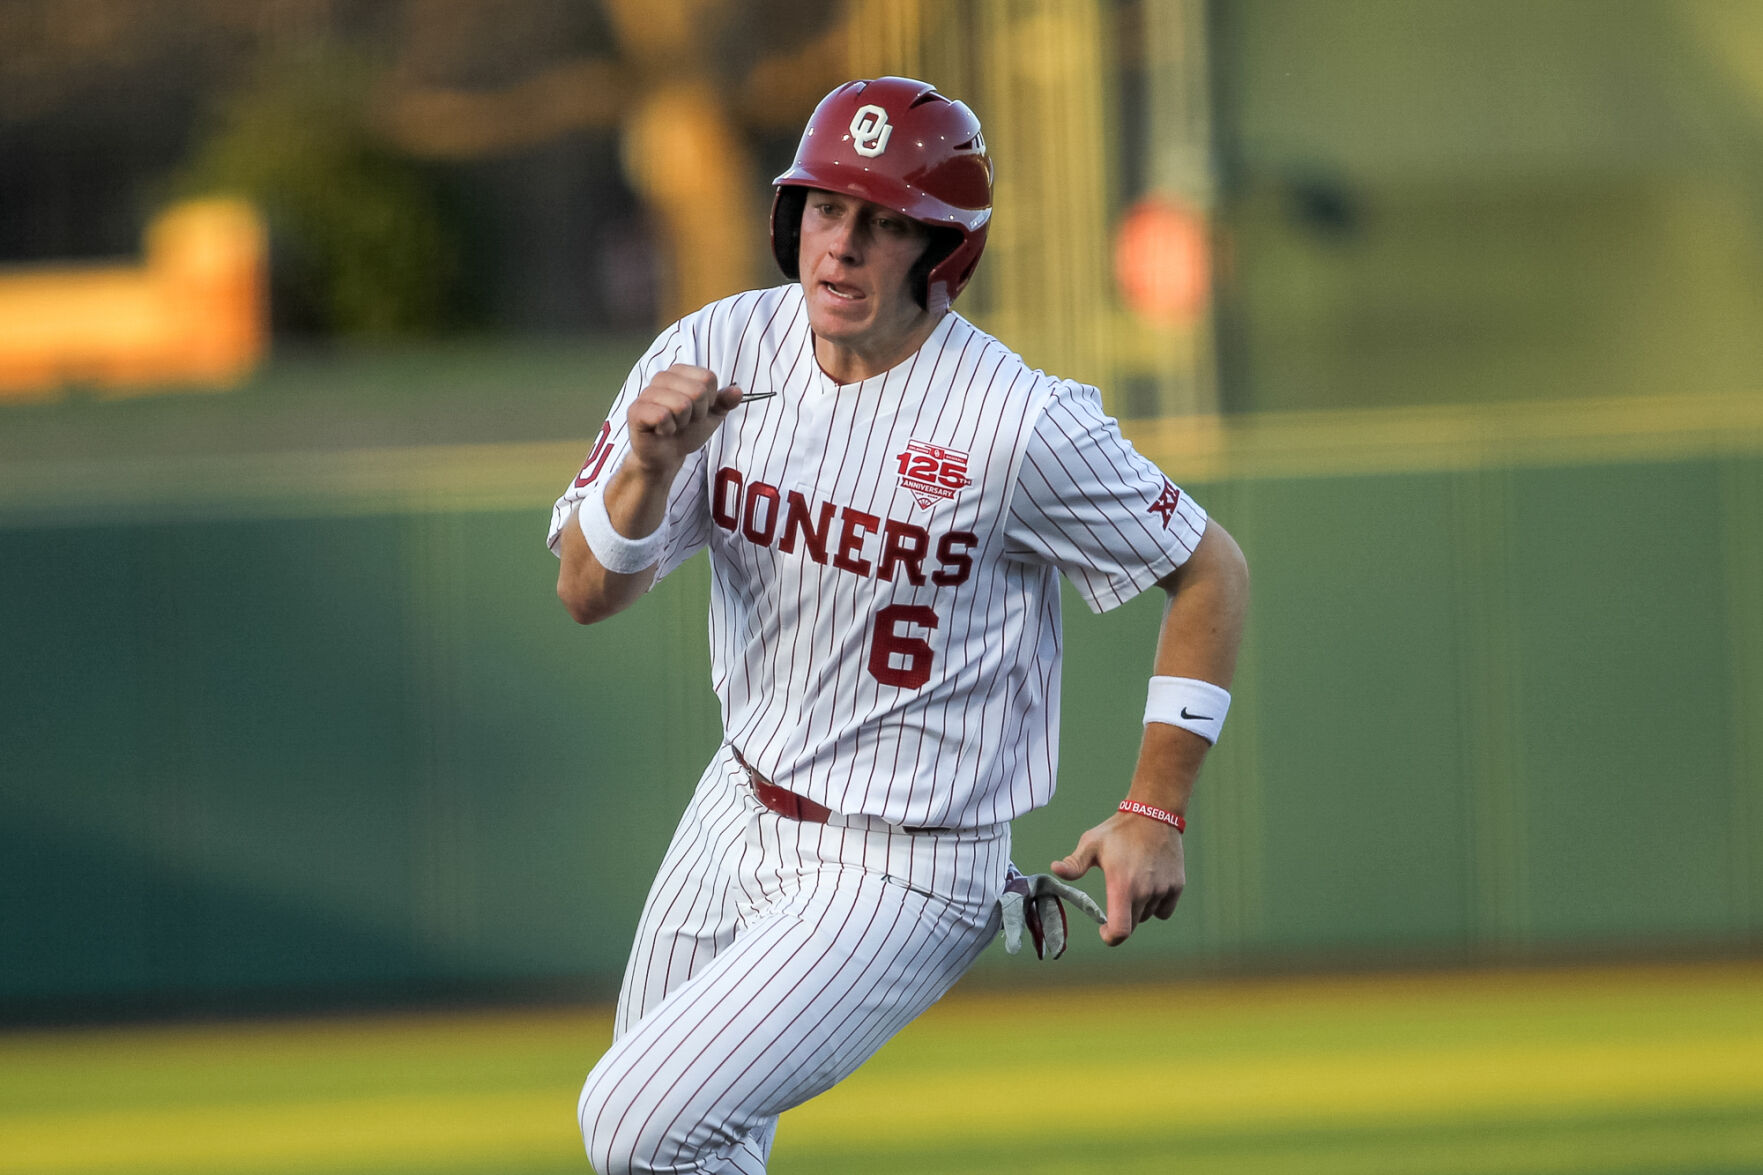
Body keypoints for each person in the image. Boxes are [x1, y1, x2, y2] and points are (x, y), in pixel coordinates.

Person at [550, 76, 1248, 1175]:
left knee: (631, 1116)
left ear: (944, 253)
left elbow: (1209, 570)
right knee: (663, 1157)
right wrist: (645, 465)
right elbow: (586, 589)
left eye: (885, 223)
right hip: (735, 802)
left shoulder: (1017, 421)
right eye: (826, 207)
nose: (843, 244)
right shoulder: (717, 348)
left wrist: (1153, 805)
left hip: (902, 864)